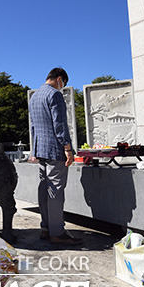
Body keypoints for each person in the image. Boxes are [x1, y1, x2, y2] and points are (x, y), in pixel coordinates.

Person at [28, 67, 82, 245]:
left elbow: (34, 127)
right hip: (54, 150)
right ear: (59, 79)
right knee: (56, 191)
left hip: (41, 150)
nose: (62, 87)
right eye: (63, 84)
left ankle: (45, 227)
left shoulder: (35, 96)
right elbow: (60, 125)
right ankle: (57, 231)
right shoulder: (55, 95)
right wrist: (68, 148)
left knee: (44, 189)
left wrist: (34, 150)